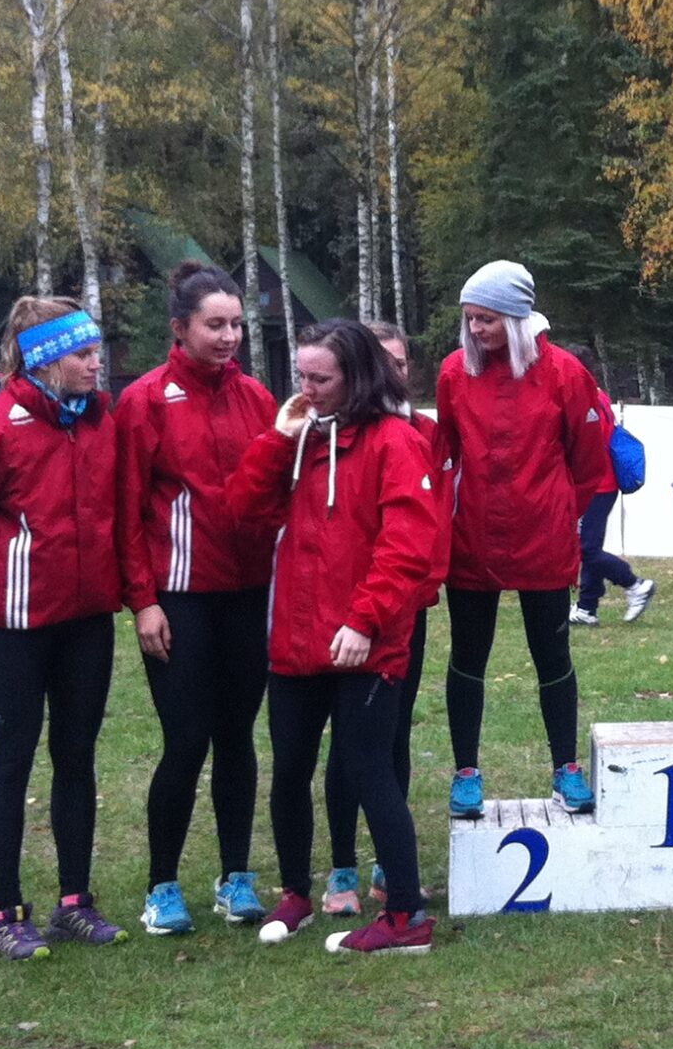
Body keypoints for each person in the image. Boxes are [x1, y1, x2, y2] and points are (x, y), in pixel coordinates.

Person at [231, 321, 443, 956]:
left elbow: (407, 545)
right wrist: (278, 440)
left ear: (356, 377)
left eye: (320, 378)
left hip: (365, 643)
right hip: (296, 640)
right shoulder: (301, 439)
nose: (307, 389)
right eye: (301, 376)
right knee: (290, 769)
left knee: (369, 770)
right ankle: (296, 894)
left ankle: (405, 915)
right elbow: (243, 509)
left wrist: (365, 619)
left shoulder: (396, 442)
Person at [0, 297, 125, 960]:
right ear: (44, 360)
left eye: (96, 351)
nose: (97, 364)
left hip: (87, 618)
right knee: (11, 760)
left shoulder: (98, 421)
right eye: (83, 354)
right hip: (15, 623)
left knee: (77, 757)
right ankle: (7, 912)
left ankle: (75, 902)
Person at [116, 262, 278, 936]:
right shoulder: (144, 400)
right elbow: (126, 510)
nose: (229, 336)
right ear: (180, 328)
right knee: (186, 741)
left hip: (248, 595)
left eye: (237, 324)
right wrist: (143, 601)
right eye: (216, 324)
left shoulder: (258, 398)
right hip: (178, 599)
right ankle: (162, 886)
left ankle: (236, 876)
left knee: (238, 738)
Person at [434, 260, 609, 819]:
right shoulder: (453, 373)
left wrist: (557, 512)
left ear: (515, 318)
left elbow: (588, 461)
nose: (476, 329)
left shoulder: (565, 373)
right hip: (472, 539)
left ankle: (565, 769)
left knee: (552, 655)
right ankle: (466, 772)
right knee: (468, 655)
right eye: (470, 319)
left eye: (486, 319)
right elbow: (446, 451)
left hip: (543, 542)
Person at [324, 323, 456, 918]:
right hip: (346, 613)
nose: (394, 372)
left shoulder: (424, 433)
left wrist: (420, 590)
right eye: (384, 362)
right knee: (346, 744)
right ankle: (341, 869)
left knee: (392, 735)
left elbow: (432, 524)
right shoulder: (333, 433)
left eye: (401, 363)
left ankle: (388, 865)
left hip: (406, 609)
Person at [571, 379, 655, 627]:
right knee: (590, 545)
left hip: (596, 485)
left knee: (586, 548)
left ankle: (635, 584)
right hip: (602, 484)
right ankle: (587, 607)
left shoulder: (587, 401)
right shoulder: (599, 396)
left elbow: (587, 446)